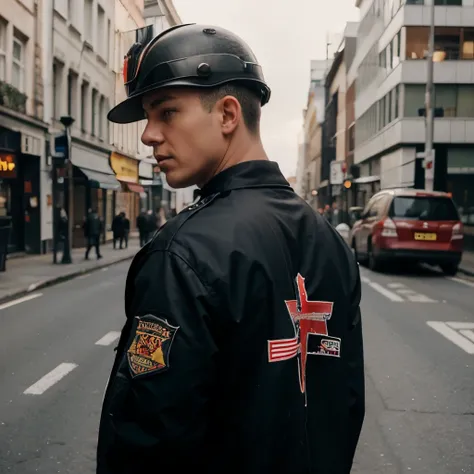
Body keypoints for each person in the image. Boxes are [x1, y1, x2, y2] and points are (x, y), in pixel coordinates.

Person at [97, 24, 364, 474]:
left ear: (226, 114)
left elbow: (149, 438)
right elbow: (345, 402)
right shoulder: (331, 242)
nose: (148, 136)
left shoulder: (184, 252)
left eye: (165, 113)